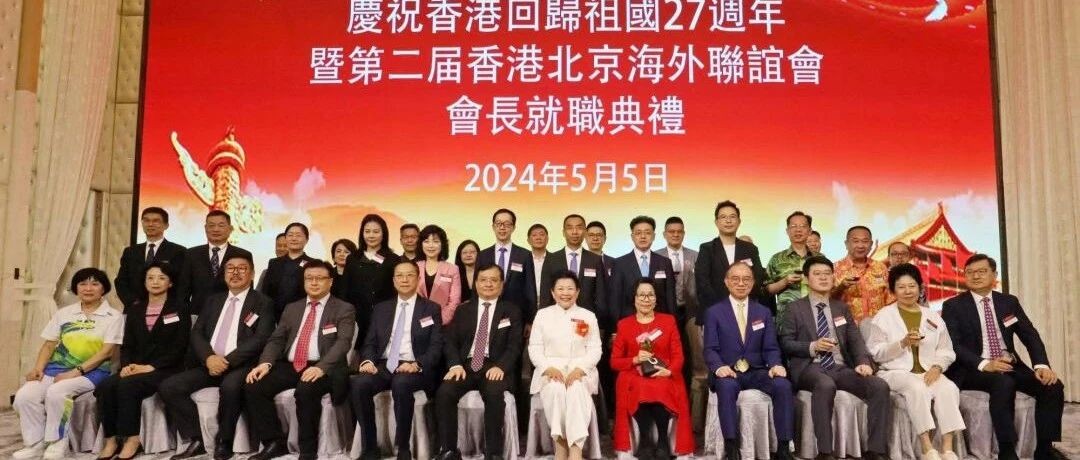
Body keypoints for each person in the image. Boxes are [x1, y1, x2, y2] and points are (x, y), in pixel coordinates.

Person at [941, 254, 1063, 460]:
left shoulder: (1008, 302)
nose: (975, 276)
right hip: (973, 368)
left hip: (1008, 364)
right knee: (1003, 383)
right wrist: (985, 364)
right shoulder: (953, 306)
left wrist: (1041, 365)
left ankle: (1045, 449)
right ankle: (1007, 450)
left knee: (1052, 385)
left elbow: (1029, 335)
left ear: (994, 275)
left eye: (982, 271)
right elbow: (954, 345)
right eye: (970, 272)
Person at [160, 254, 275, 460]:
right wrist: (209, 358)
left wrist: (227, 361)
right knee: (169, 386)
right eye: (230, 268)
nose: (235, 272)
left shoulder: (263, 302)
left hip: (241, 365)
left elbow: (261, 338)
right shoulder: (213, 300)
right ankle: (197, 438)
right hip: (210, 363)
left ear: (252, 274)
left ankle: (224, 442)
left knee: (230, 387)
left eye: (242, 268)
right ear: (224, 273)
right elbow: (197, 333)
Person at [780, 256, 890, 460]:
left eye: (827, 274)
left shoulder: (841, 308)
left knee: (879, 386)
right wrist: (812, 346)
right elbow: (786, 343)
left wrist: (863, 363)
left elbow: (855, 340)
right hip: (810, 367)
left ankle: (875, 450)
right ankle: (825, 452)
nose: (823, 278)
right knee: (825, 384)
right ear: (806, 279)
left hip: (839, 367)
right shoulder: (794, 308)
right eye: (817, 274)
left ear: (833, 277)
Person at [243, 260, 355, 460]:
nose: (314, 282)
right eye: (309, 278)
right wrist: (265, 363)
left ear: (330, 282)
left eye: (319, 278)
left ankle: (308, 451)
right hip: (291, 364)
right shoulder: (292, 308)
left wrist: (321, 367)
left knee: (306, 390)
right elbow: (277, 339)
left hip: (324, 367)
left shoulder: (343, 308)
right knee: (254, 385)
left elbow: (343, 343)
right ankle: (274, 442)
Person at [13, 268, 123, 460]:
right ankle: (35, 443)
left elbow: (106, 352)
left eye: (95, 284)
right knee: (24, 396)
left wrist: (76, 372)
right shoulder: (64, 313)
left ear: (103, 289)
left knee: (57, 392)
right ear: (75, 288)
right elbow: (49, 345)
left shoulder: (113, 316)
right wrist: (38, 368)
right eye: (83, 284)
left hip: (94, 372)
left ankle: (57, 442)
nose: (88, 288)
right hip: (55, 368)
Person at [865, 263, 964, 460]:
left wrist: (937, 367)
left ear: (920, 288)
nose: (907, 291)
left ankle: (947, 449)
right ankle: (927, 448)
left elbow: (946, 350)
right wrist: (902, 343)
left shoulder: (932, 316)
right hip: (895, 372)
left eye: (912, 286)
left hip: (928, 371)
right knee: (916, 388)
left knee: (948, 388)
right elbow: (876, 353)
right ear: (893, 290)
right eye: (901, 287)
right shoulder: (883, 316)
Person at [96, 261, 191, 460]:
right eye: (150, 278)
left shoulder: (179, 309)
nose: (155, 282)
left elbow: (180, 346)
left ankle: (132, 439)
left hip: (166, 368)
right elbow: (127, 345)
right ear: (144, 282)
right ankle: (111, 440)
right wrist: (126, 366)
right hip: (135, 367)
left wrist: (151, 366)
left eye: (161, 278)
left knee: (128, 386)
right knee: (106, 386)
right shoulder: (135, 310)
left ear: (170, 283)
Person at [352, 260, 444, 460]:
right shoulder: (381, 308)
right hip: (385, 365)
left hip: (414, 366)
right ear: (393, 281)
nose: (404, 279)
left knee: (401, 383)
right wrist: (368, 361)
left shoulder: (431, 308)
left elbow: (436, 346)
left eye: (410, 275)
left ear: (418, 279)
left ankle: (403, 448)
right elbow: (370, 342)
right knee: (359, 384)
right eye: (400, 276)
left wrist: (417, 364)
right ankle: (370, 448)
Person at [704, 263, 794, 460]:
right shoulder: (714, 312)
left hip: (757, 371)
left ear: (753, 283)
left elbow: (771, 347)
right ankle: (731, 447)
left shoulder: (763, 312)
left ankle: (784, 447)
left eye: (746, 279)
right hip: (729, 371)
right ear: (726, 282)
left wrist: (776, 364)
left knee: (783, 385)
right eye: (735, 279)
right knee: (726, 387)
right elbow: (710, 349)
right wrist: (718, 367)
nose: (741, 283)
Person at [434, 264, 523, 460]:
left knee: (494, 393)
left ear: (501, 284)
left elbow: (515, 345)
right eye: (483, 280)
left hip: (494, 366)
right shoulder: (463, 310)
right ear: (476, 283)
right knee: (444, 392)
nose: (488, 284)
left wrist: (501, 366)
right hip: (465, 366)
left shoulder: (511, 311)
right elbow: (450, 341)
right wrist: (455, 364)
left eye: (494, 280)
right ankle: (448, 450)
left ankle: (493, 453)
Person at [610, 280, 694, 458]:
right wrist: (635, 359)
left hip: (663, 372)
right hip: (635, 374)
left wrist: (670, 371)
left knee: (661, 386)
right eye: (641, 295)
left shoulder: (668, 321)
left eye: (650, 295)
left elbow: (678, 355)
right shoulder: (624, 324)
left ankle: (663, 440)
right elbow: (614, 362)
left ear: (656, 299)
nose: (646, 299)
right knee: (640, 387)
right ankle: (645, 440)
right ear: (634, 299)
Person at [529, 271, 602, 460]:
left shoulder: (588, 316)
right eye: (560, 289)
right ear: (553, 293)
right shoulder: (542, 315)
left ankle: (576, 450)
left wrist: (581, 369)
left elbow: (595, 349)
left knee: (576, 391)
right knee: (556, 390)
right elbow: (534, 348)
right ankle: (560, 446)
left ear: (577, 292)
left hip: (581, 370)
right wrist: (547, 368)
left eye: (570, 288)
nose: (565, 293)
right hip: (550, 369)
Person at [656, 216, 701, 429]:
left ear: (684, 233)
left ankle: (692, 413)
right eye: (671, 231)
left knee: (693, 359)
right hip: (664, 314)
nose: (675, 234)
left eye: (679, 231)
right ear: (664, 234)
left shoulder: (696, 256)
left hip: (691, 313)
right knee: (667, 358)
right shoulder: (656, 256)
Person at [696, 201, 770, 321]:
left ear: (739, 221)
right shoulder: (707, 249)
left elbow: (757, 277)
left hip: (745, 309)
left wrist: (741, 301)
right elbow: (702, 282)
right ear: (716, 222)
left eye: (732, 216)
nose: (728, 220)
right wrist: (723, 307)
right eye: (723, 217)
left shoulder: (750, 248)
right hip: (714, 311)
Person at [339, 214, 401, 354]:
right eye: (367, 231)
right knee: (356, 354)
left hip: (385, 317)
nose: (371, 235)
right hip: (356, 317)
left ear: (384, 234)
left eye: (376, 231)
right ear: (362, 233)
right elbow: (345, 289)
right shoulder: (353, 258)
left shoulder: (393, 259)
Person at [177, 210, 253, 317]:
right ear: (205, 228)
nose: (216, 229)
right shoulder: (191, 254)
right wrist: (186, 316)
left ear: (230, 229)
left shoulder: (243, 255)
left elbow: (247, 291)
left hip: (231, 315)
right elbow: (183, 292)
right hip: (197, 316)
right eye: (211, 225)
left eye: (221, 225)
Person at [539, 215, 607, 323]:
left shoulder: (595, 260)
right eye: (570, 228)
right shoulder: (551, 259)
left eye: (579, 227)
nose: (574, 232)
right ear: (563, 232)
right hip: (556, 320)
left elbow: (601, 296)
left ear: (585, 232)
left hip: (587, 320)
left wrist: (600, 323)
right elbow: (545, 295)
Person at [114, 207, 186, 309]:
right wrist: (133, 303)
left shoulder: (179, 251)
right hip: (134, 308)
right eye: (146, 220)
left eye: (156, 221)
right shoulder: (130, 251)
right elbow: (121, 282)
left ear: (166, 225)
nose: (150, 224)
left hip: (167, 308)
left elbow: (182, 283)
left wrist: (169, 305)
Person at [609, 216, 677, 320]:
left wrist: (672, 323)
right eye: (638, 233)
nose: (643, 236)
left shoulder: (665, 263)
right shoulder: (619, 264)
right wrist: (616, 327)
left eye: (647, 233)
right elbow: (615, 300)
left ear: (654, 236)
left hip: (659, 321)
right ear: (632, 236)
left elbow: (670, 298)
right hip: (629, 321)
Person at [478, 208, 537, 322]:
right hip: (487, 313)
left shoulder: (524, 255)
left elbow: (530, 289)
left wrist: (530, 321)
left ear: (513, 227)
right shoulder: (483, 255)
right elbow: (477, 287)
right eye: (498, 224)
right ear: (493, 227)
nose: (502, 227)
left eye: (507, 224)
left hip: (517, 314)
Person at [831, 226, 893, 323]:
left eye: (865, 241)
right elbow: (827, 302)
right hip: (848, 327)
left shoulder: (880, 267)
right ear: (846, 244)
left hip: (879, 326)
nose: (860, 246)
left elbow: (889, 299)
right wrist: (841, 288)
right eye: (855, 241)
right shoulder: (834, 269)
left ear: (871, 244)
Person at [766, 211, 817, 328]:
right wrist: (784, 282)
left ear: (810, 231)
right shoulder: (776, 259)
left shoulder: (820, 259)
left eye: (803, 226)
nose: (798, 230)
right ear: (787, 231)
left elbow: (830, 288)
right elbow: (765, 290)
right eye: (793, 226)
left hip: (816, 318)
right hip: (786, 320)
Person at [260, 222, 318, 320]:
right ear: (286, 238)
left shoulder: (313, 264)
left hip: (301, 316)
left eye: (298, 235)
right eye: (290, 235)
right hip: (274, 316)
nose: (294, 238)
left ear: (306, 240)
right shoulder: (274, 263)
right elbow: (265, 291)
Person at [417, 224, 462, 324]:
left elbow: (454, 301)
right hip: (416, 322)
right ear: (421, 244)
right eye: (426, 241)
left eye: (436, 241)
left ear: (442, 244)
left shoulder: (452, 269)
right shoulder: (414, 267)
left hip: (442, 323)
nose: (431, 245)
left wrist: (434, 321)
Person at [886, 242, 927, 306]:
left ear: (909, 256)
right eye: (895, 254)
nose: (899, 257)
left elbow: (923, 302)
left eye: (903, 253)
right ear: (888, 257)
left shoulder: (915, 273)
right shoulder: (883, 277)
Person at [528, 223, 550, 307]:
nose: (538, 238)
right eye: (534, 235)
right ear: (528, 240)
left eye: (542, 234)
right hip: (527, 305)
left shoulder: (556, 259)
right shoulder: (523, 259)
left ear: (547, 239)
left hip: (550, 305)